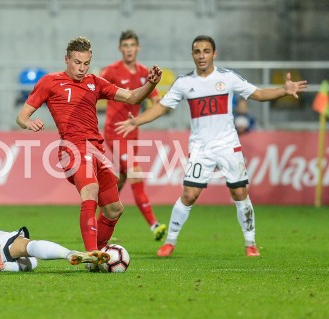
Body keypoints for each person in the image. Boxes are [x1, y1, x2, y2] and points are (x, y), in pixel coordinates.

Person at [116, 35, 308, 257]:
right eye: (197, 52)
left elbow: (259, 94)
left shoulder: (227, 78)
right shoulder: (184, 83)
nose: (201, 56)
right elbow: (161, 108)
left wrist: (283, 90)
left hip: (228, 144)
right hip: (200, 147)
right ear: (192, 55)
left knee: (239, 192)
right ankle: (169, 242)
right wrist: (135, 121)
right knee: (189, 194)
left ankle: (250, 243)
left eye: (206, 51)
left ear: (214, 54)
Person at [16, 36, 162, 253]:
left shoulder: (96, 82)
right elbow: (22, 115)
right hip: (72, 147)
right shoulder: (50, 82)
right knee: (90, 189)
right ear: (66, 59)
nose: (82, 68)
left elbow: (132, 97)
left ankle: (99, 252)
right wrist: (28, 122)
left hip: (97, 149)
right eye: (77, 63)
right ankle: (91, 254)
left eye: (86, 63)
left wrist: (151, 83)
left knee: (114, 209)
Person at [99, 30, 167, 241]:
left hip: (133, 133)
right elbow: (91, 91)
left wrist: (143, 117)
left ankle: (99, 219)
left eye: (132, 45)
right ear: (120, 48)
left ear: (138, 48)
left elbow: (157, 103)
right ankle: (154, 225)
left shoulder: (144, 72)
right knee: (136, 174)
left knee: (119, 181)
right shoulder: (111, 71)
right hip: (116, 132)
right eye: (125, 45)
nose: (129, 49)